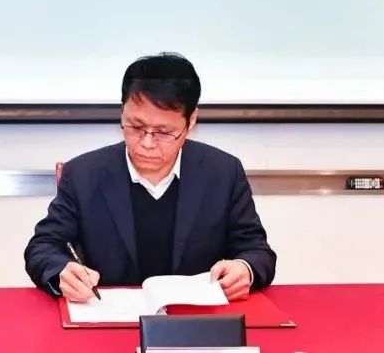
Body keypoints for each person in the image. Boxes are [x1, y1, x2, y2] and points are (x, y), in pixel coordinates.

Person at [24, 53, 276, 302]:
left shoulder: (223, 172)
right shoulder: (84, 174)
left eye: (163, 132)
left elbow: (257, 251)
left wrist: (245, 268)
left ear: (191, 122)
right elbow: (43, 247)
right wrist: (61, 271)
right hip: (109, 316)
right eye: (136, 127)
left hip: (196, 319)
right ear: (122, 112)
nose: (146, 143)